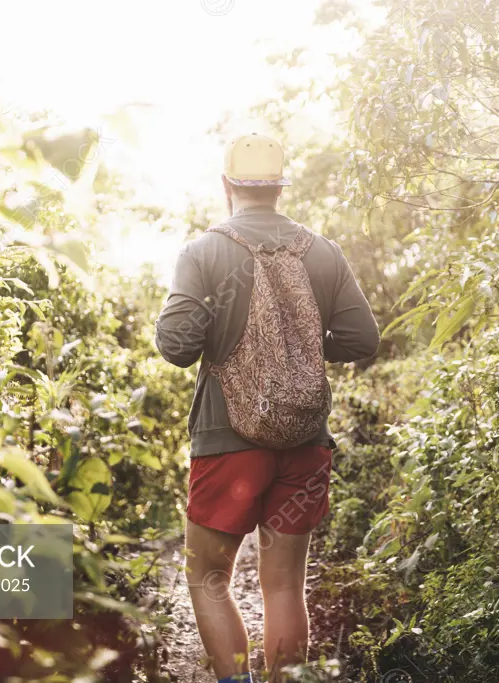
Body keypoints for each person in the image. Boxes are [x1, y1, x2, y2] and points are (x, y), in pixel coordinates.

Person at [154, 133, 380, 682]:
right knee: (283, 586)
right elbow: (362, 339)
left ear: (227, 184)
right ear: (280, 188)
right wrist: (300, 345)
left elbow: (176, 346)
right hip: (304, 440)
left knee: (208, 580)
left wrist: (225, 331)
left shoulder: (203, 251)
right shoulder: (322, 251)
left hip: (226, 440)